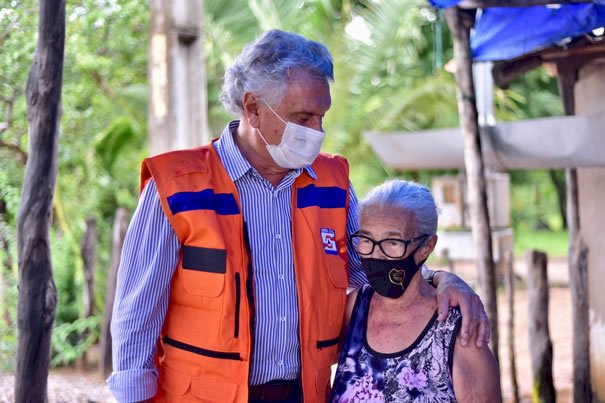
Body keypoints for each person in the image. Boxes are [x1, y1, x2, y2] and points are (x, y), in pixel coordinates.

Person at [107, 29, 490, 403]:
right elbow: (137, 313)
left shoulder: (332, 182)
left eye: (321, 117)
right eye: (303, 117)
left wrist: (439, 279)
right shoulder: (177, 186)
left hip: (302, 393)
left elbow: (371, 271)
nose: (317, 131)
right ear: (254, 108)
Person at [331, 179, 501, 403]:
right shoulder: (353, 309)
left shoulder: (458, 331)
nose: (376, 255)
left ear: (426, 247)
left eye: (392, 242)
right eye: (366, 239)